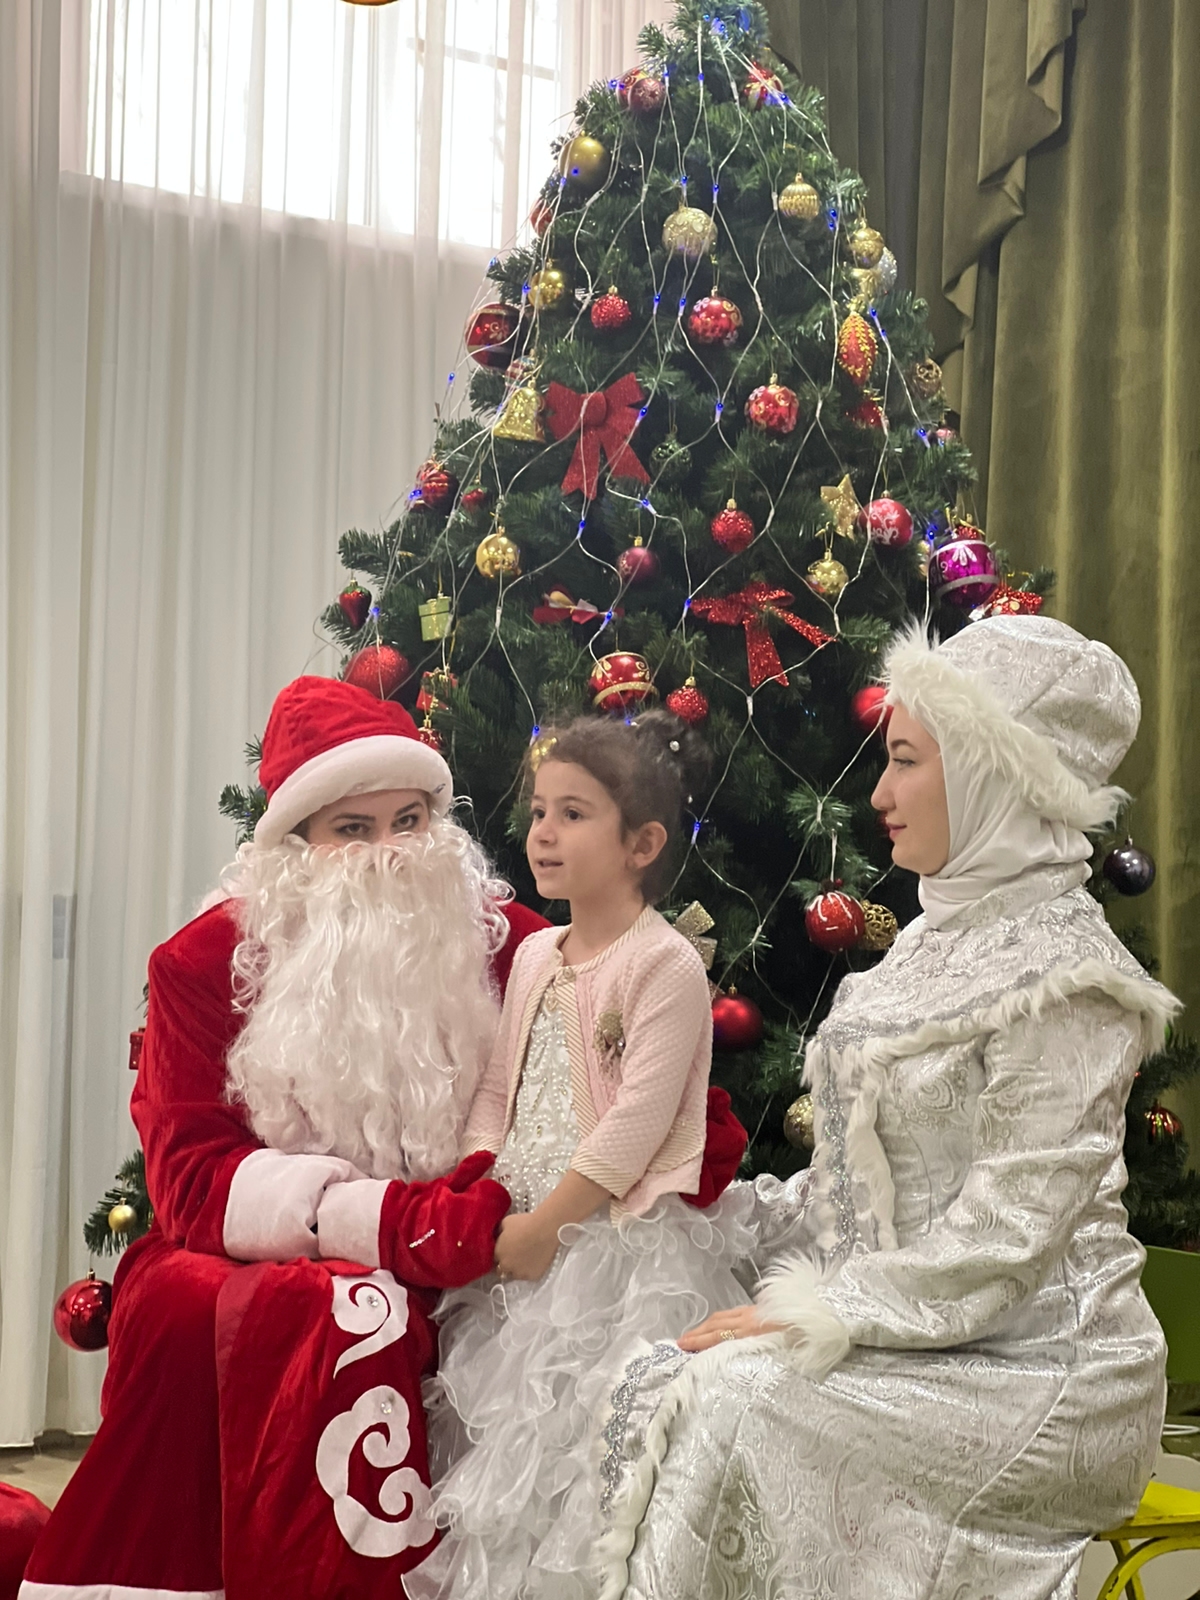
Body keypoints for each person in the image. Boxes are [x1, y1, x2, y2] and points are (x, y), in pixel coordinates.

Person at [598, 615, 1179, 1600]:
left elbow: (1008, 1235)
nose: (878, 795)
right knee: (656, 1368)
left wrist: (815, 1312)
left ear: (999, 773)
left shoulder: (1071, 978)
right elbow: (856, 1191)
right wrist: (715, 1216)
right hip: (917, 1338)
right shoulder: (926, 943)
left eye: (906, 760)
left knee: (741, 1398)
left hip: (1043, 1371)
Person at [21, 675, 547, 1600]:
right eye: (354, 828)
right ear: (296, 847)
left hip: (488, 1240)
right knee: (221, 1308)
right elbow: (189, 1179)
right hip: (285, 1245)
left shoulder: (515, 945)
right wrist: (386, 1224)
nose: (390, 854)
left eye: (411, 821)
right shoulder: (201, 963)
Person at [404, 710, 750, 1600]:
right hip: (518, 1231)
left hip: (609, 1243)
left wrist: (548, 1229)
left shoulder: (664, 964)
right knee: (499, 1446)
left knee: (582, 1446)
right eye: (538, 813)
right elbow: (497, 1093)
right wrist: (479, 1191)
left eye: (573, 814)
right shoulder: (533, 956)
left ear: (642, 844)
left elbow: (634, 1125)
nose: (543, 834)